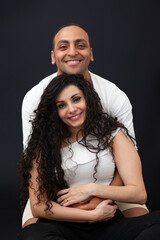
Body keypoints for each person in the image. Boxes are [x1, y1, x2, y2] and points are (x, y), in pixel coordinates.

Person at [21, 23, 148, 227]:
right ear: (53, 56)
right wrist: (76, 208)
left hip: (111, 187)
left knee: (145, 224)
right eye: (64, 47)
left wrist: (96, 199)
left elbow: (129, 162)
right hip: (57, 193)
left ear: (91, 53)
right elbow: (34, 162)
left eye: (80, 45)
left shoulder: (114, 96)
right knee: (33, 231)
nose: (72, 52)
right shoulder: (34, 98)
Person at [18, 74, 160, 240]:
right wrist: (92, 216)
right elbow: (39, 207)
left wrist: (91, 189)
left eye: (76, 99)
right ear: (54, 111)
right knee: (32, 235)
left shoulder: (112, 134)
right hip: (64, 222)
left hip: (108, 218)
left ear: (88, 99)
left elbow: (139, 193)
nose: (71, 109)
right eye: (62, 105)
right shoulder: (42, 146)